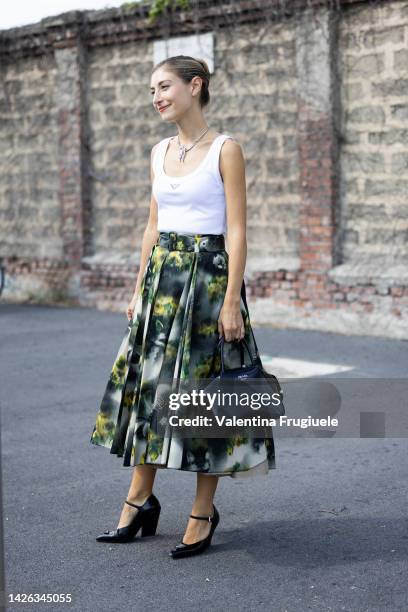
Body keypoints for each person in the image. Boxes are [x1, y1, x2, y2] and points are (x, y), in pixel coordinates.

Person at [89, 55, 276, 559]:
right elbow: (152, 227)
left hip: (209, 283)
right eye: (152, 89)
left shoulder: (225, 149)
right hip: (160, 287)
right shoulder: (158, 151)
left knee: (203, 401)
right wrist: (136, 289)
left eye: (165, 86)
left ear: (196, 86)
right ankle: (138, 501)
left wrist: (232, 299)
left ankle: (201, 512)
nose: (157, 96)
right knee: (153, 393)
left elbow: (236, 230)